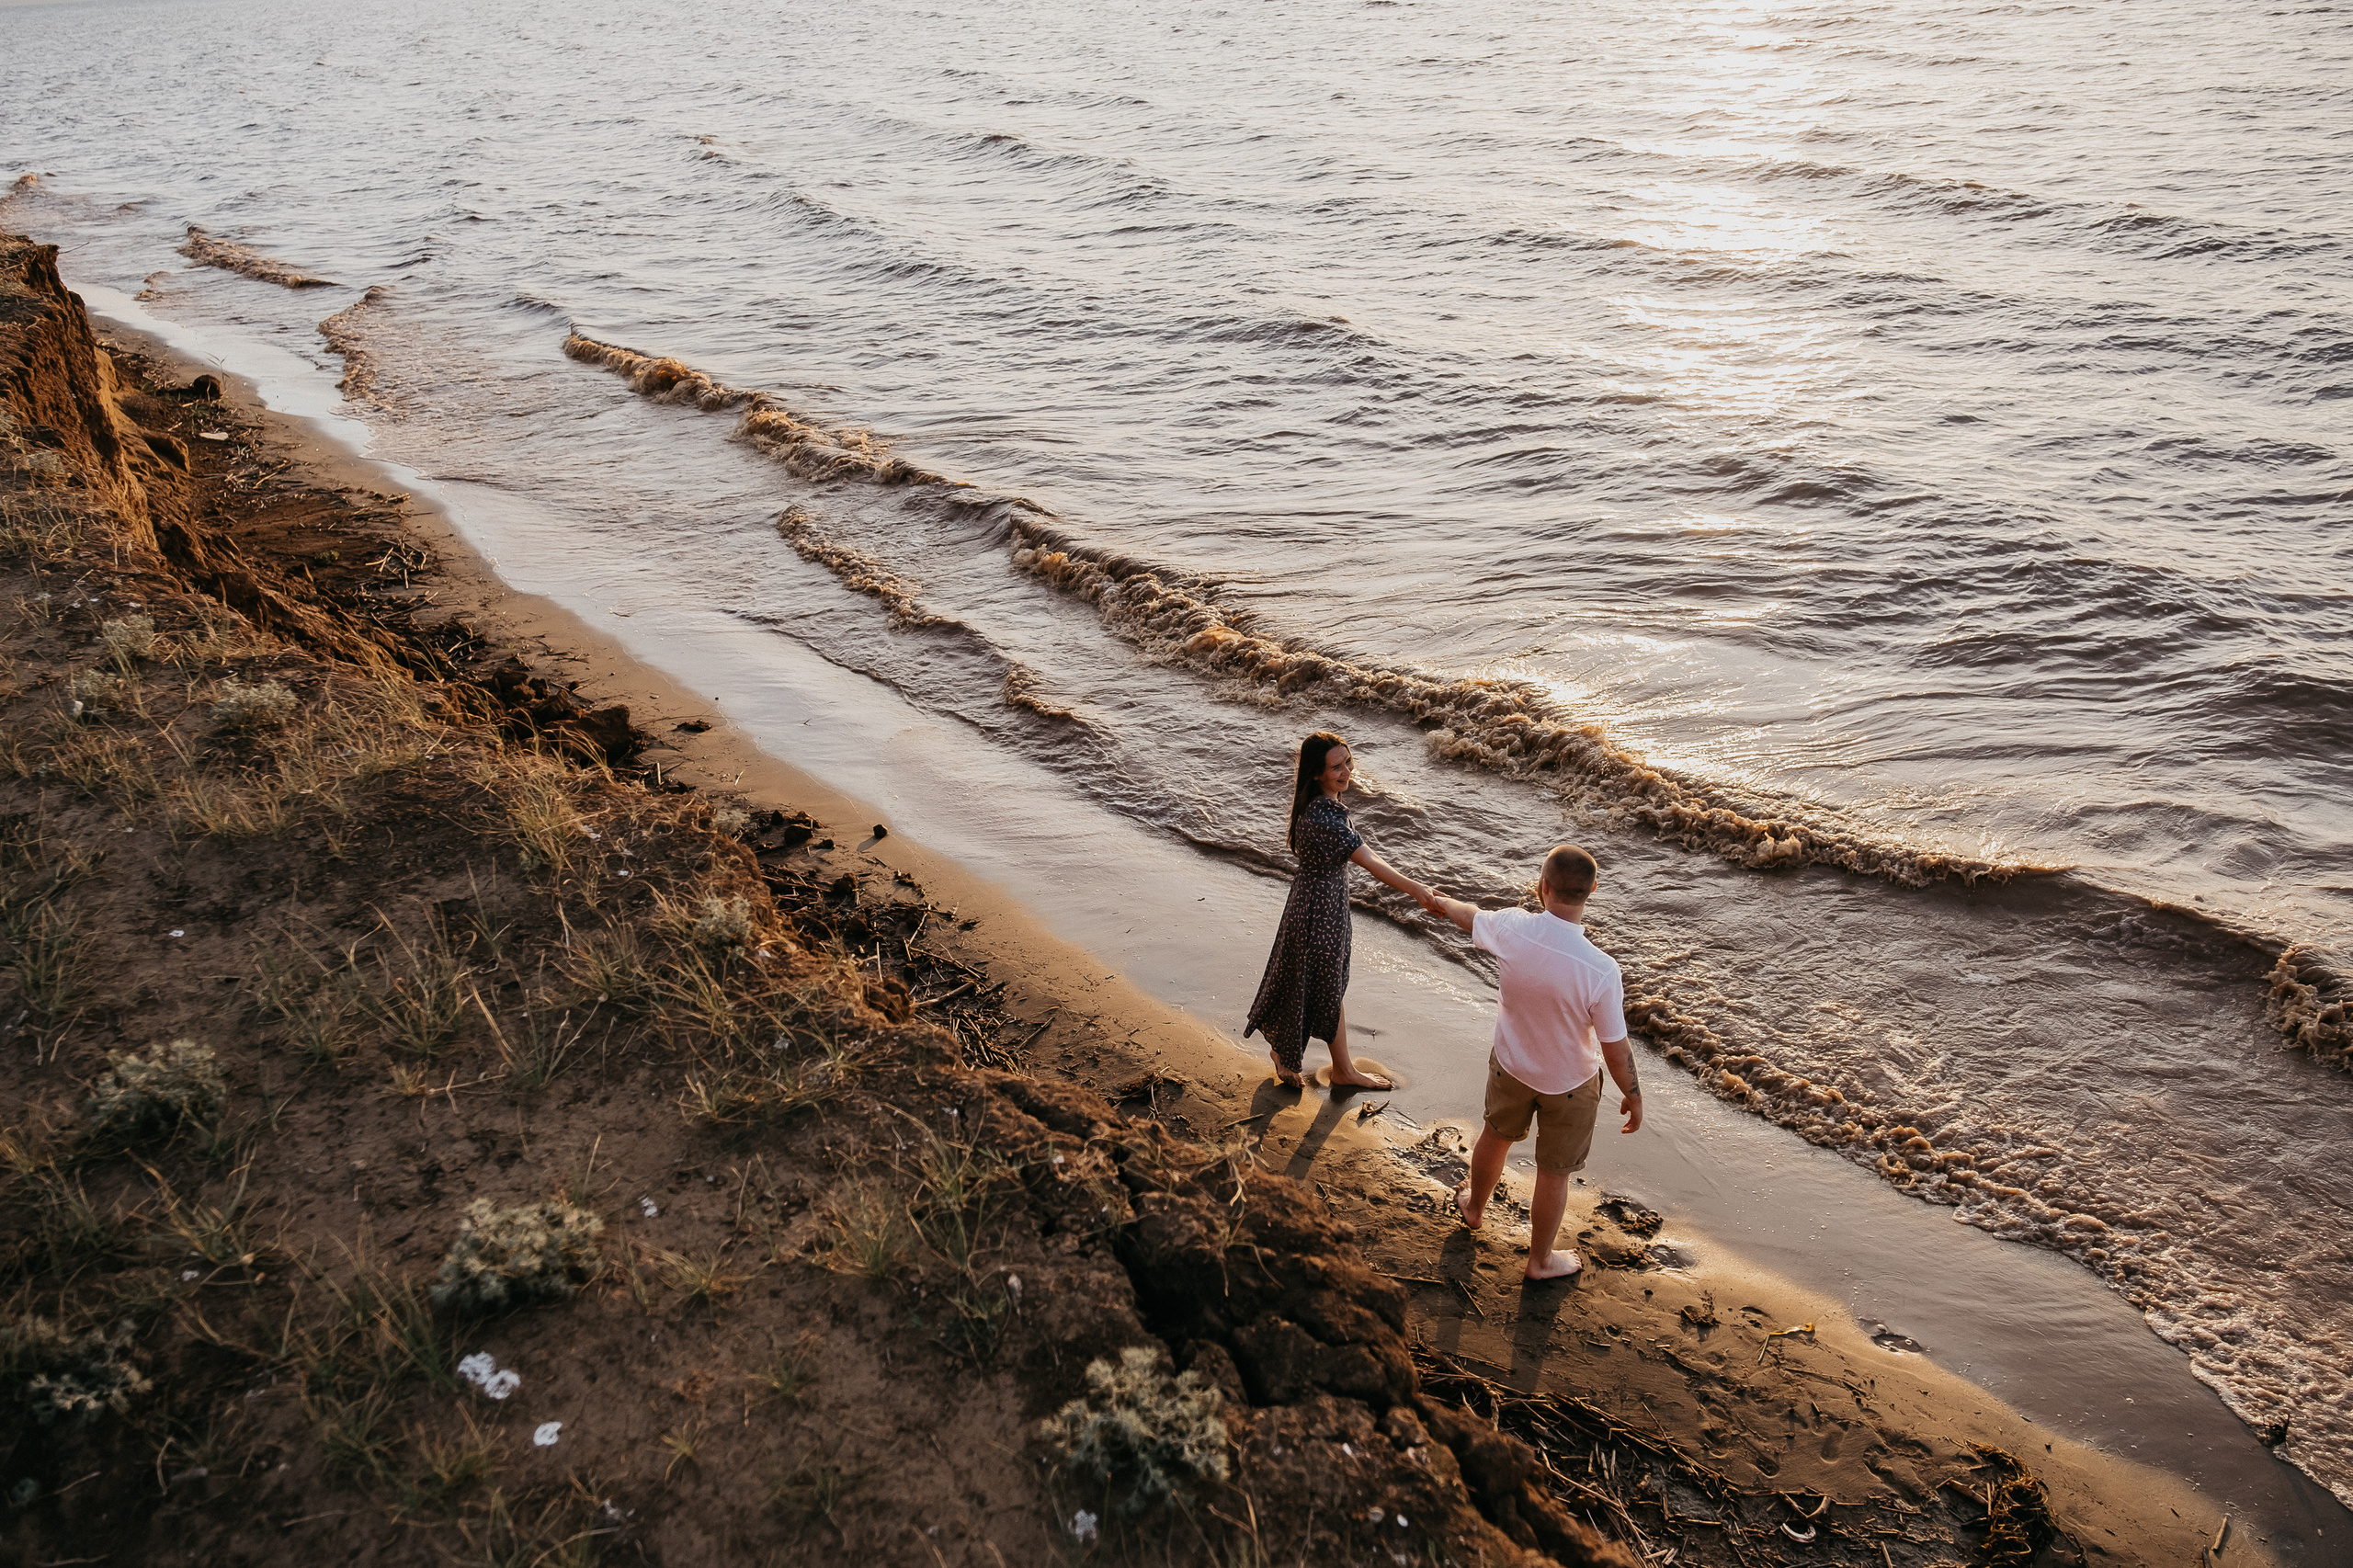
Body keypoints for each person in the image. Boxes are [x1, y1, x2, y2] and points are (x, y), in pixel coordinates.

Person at [1416, 845, 1643, 1280]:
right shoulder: (1601, 969)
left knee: (1496, 1137)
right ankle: (1539, 1261)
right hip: (1571, 1084)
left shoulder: (1514, 928)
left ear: (1542, 886)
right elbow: (1615, 1048)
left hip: (1512, 1067)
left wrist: (1439, 901)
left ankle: (1475, 1207)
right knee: (1554, 1174)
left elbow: (1471, 916)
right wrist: (1633, 1096)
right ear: (1592, 890)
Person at [1244, 732, 1430, 1091]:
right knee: (1325, 986)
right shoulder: (1325, 817)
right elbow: (1371, 861)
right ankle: (1340, 1069)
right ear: (1317, 773)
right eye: (1336, 766)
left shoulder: (1319, 806)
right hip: (1320, 912)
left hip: (1314, 902)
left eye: (1348, 762)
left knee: (1308, 981)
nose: (1346, 772)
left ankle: (1289, 1054)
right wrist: (1416, 890)